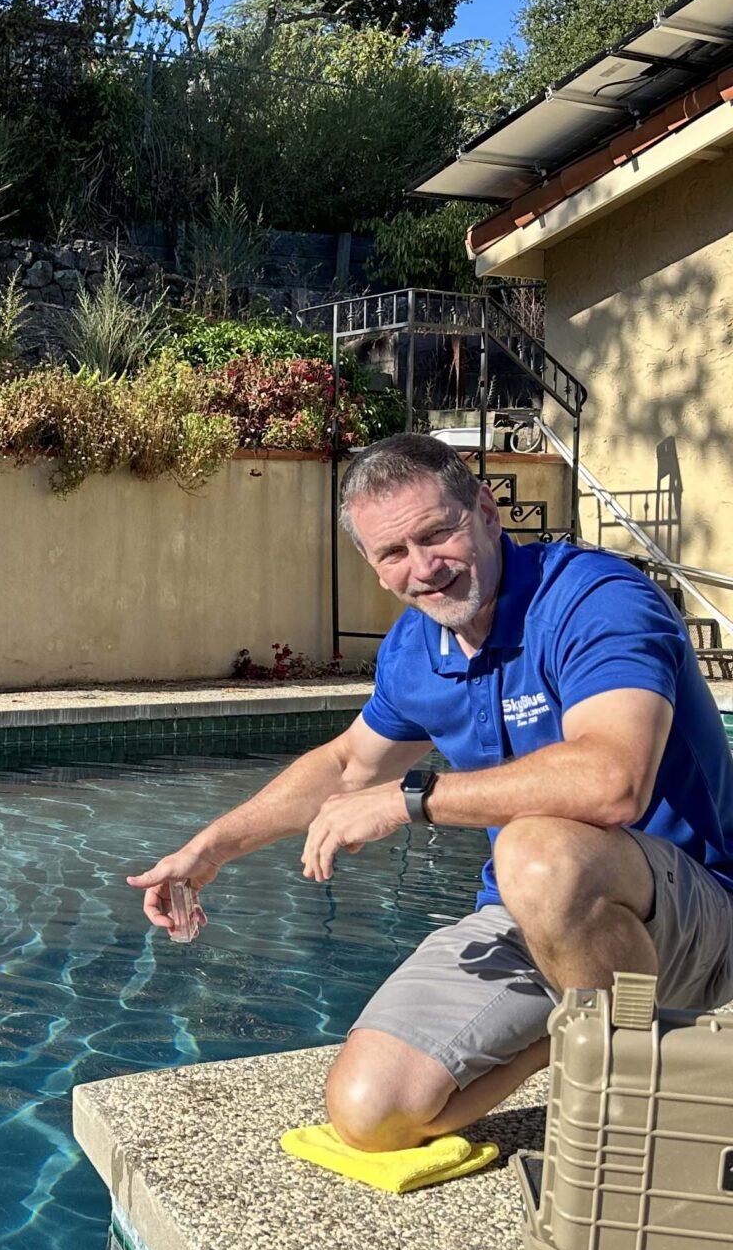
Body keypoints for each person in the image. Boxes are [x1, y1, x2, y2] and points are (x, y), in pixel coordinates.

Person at [129, 431, 733, 1152]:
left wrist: (412, 799)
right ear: (373, 566)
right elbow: (349, 764)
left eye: (437, 533)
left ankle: (632, 1106)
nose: (424, 569)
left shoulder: (593, 600)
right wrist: (209, 849)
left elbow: (613, 783)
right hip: (538, 916)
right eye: (393, 553)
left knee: (538, 851)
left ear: (485, 510)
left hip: (695, 918)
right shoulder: (418, 650)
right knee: (370, 1112)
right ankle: (578, 1032)